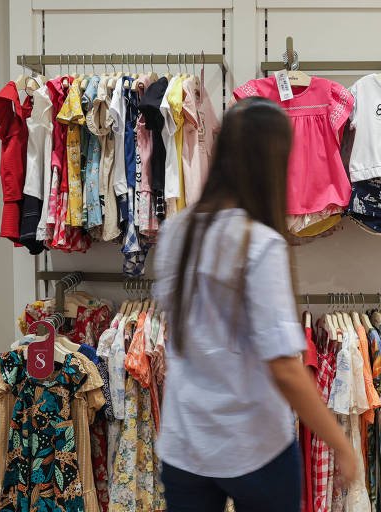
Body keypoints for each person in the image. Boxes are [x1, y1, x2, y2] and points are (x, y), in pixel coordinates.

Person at [153, 97, 357, 512]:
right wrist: (341, 443)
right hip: (254, 445)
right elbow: (283, 366)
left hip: (185, 440)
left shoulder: (175, 231)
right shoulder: (259, 244)